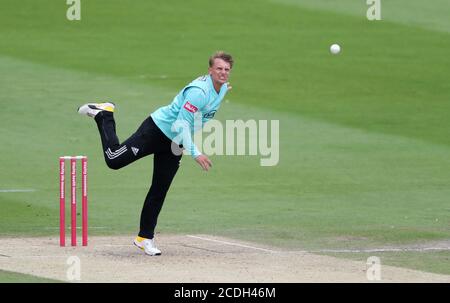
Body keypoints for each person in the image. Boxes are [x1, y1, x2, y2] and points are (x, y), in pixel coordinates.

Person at [77, 51, 233, 255]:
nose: (223, 73)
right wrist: (196, 153)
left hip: (175, 143)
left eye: (226, 70)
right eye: (219, 68)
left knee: (160, 188)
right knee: (114, 159)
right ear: (210, 70)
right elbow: (182, 124)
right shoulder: (199, 92)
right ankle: (104, 115)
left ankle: (145, 238)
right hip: (157, 130)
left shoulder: (220, 90)